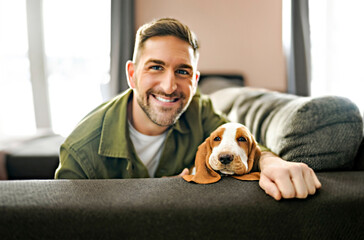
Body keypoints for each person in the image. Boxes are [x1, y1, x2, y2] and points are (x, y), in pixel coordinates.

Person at [55, 18, 321, 200]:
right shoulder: (80, 152)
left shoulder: (199, 111)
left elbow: (240, 139)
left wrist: (271, 162)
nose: (170, 86)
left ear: (195, 81)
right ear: (132, 74)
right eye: (156, 67)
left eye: (182, 71)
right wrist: (166, 190)